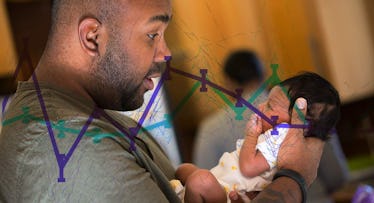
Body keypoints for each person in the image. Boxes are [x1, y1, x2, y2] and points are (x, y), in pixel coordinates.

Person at [0, 0, 326, 202]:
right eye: (153, 34)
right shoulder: (67, 145)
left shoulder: (104, 120)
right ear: (92, 37)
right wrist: (294, 175)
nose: (166, 53)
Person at [173, 72, 341, 203]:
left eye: (269, 105)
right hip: (222, 182)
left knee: (198, 179)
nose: (260, 106)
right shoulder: (285, 138)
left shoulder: (280, 139)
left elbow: (248, 167)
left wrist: (251, 135)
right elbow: (338, 177)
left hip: (229, 192)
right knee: (185, 170)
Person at [194, 49, 265, 169]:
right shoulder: (291, 109)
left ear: (229, 82)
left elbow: (202, 175)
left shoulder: (211, 127)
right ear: (263, 73)